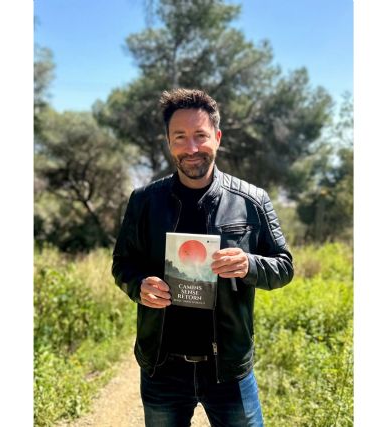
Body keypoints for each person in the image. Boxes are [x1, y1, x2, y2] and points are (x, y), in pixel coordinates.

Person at [112, 88, 294, 426]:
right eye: (180, 137)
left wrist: (249, 264)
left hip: (229, 369)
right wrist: (139, 286)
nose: (192, 148)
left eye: (200, 135)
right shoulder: (144, 201)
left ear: (217, 138)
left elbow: (284, 266)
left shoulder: (252, 200)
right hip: (162, 368)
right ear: (169, 142)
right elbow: (122, 263)